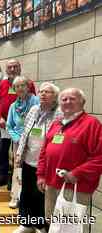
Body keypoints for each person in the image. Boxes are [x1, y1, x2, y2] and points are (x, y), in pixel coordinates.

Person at [37, 88, 102, 233]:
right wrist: (41, 175)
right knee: (52, 222)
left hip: (75, 186)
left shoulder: (91, 124)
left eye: (72, 99)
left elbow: (99, 157)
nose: (67, 102)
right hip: (51, 183)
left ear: (82, 102)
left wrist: (77, 173)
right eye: (64, 99)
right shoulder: (57, 123)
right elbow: (44, 152)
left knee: (70, 226)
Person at [13, 82, 61, 233]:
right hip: (28, 160)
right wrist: (19, 154)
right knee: (26, 193)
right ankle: (27, 224)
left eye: (47, 92)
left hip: (46, 164)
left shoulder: (59, 113)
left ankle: (41, 226)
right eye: (41, 91)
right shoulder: (34, 110)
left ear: (55, 97)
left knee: (41, 197)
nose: (43, 94)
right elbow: (25, 134)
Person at [0, 59, 36, 188]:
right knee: (3, 151)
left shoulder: (29, 83)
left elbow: (33, 103)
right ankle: (3, 177)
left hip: (22, 127)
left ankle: (14, 182)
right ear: (6, 70)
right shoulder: (2, 84)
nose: (12, 69)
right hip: (5, 124)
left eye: (15, 67)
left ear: (20, 68)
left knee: (18, 154)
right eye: (10, 67)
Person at [6, 76, 39, 208]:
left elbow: (40, 121)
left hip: (34, 142)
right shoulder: (13, 106)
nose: (20, 88)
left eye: (22, 85)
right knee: (17, 169)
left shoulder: (36, 101)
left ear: (28, 86)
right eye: (17, 86)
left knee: (32, 169)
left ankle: (32, 197)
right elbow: (9, 125)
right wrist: (17, 139)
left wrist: (31, 138)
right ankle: (16, 196)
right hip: (18, 142)